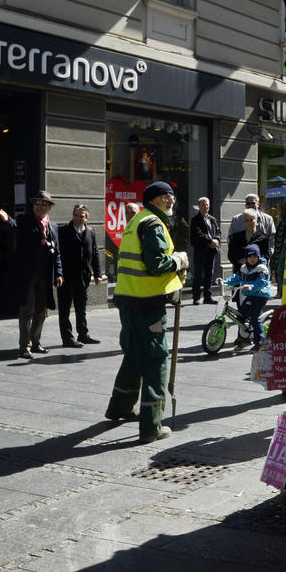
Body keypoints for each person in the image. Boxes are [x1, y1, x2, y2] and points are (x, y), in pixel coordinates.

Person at [105, 181, 189, 444]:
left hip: (129, 299)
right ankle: (151, 426)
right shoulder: (153, 223)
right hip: (146, 303)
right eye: (166, 197)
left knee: (133, 354)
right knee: (155, 358)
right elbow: (156, 264)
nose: (171, 201)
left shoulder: (137, 221)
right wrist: (180, 260)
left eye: (173, 196)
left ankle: (119, 406)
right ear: (153, 199)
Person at [0, 191, 64, 359]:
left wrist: (59, 272)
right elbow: (14, 226)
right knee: (27, 310)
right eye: (37, 203)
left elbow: (57, 253)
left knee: (41, 311)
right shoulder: (25, 221)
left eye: (44, 204)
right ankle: (24, 346)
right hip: (27, 274)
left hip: (45, 275)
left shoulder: (53, 226)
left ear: (49, 207)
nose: (40, 206)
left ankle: (35, 342)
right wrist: (7, 220)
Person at [57, 204, 103, 348]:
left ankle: (83, 334)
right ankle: (67, 338)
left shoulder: (91, 232)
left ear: (86, 218)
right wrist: (58, 273)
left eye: (81, 216)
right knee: (64, 310)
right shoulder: (63, 231)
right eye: (75, 215)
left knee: (81, 307)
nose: (78, 218)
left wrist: (98, 274)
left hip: (83, 277)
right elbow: (57, 255)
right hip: (66, 277)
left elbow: (95, 253)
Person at [223, 244, 272, 352]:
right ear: (246, 258)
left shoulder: (262, 268)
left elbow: (262, 282)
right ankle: (245, 338)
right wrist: (224, 282)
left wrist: (251, 286)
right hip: (250, 295)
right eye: (250, 257)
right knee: (242, 314)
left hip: (260, 295)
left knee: (254, 316)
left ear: (258, 257)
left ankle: (260, 342)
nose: (252, 259)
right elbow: (236, 277)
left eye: (255, 256)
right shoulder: (244, 268)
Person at [189, 197, 221, 305]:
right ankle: (196, 297)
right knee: (198, 273)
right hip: (201, 250)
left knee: (209, 274)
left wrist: (216, 239)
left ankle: (208, 297)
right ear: (199, 206)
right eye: (203, 205)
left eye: (207, 204)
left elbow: (218, 231)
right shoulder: (195, 219)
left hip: (211, 251)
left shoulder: (212, 219)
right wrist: (210, 241)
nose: (205, 207)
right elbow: (197, 234)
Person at [228, 194, 275, 260]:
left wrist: (267, 256)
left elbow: (272, 239)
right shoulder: (236, 220)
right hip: (241, 263)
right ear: (245, 205)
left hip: (261, 262)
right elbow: (230, 240)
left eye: (253, 203)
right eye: (248, 203)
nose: (250, 206)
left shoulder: (268, 219)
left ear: (258, 204)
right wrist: (236, 259)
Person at [228, 209, 270, 273]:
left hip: (256, 273)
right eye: (246, 220)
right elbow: (231, 255)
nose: (249, 223)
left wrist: (254, 261)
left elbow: (265, 256)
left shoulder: (263, 238)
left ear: (256, 221)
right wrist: (239, 261)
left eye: (251, 220)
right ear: (243, 222)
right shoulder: (235, 237)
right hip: (239, 273)